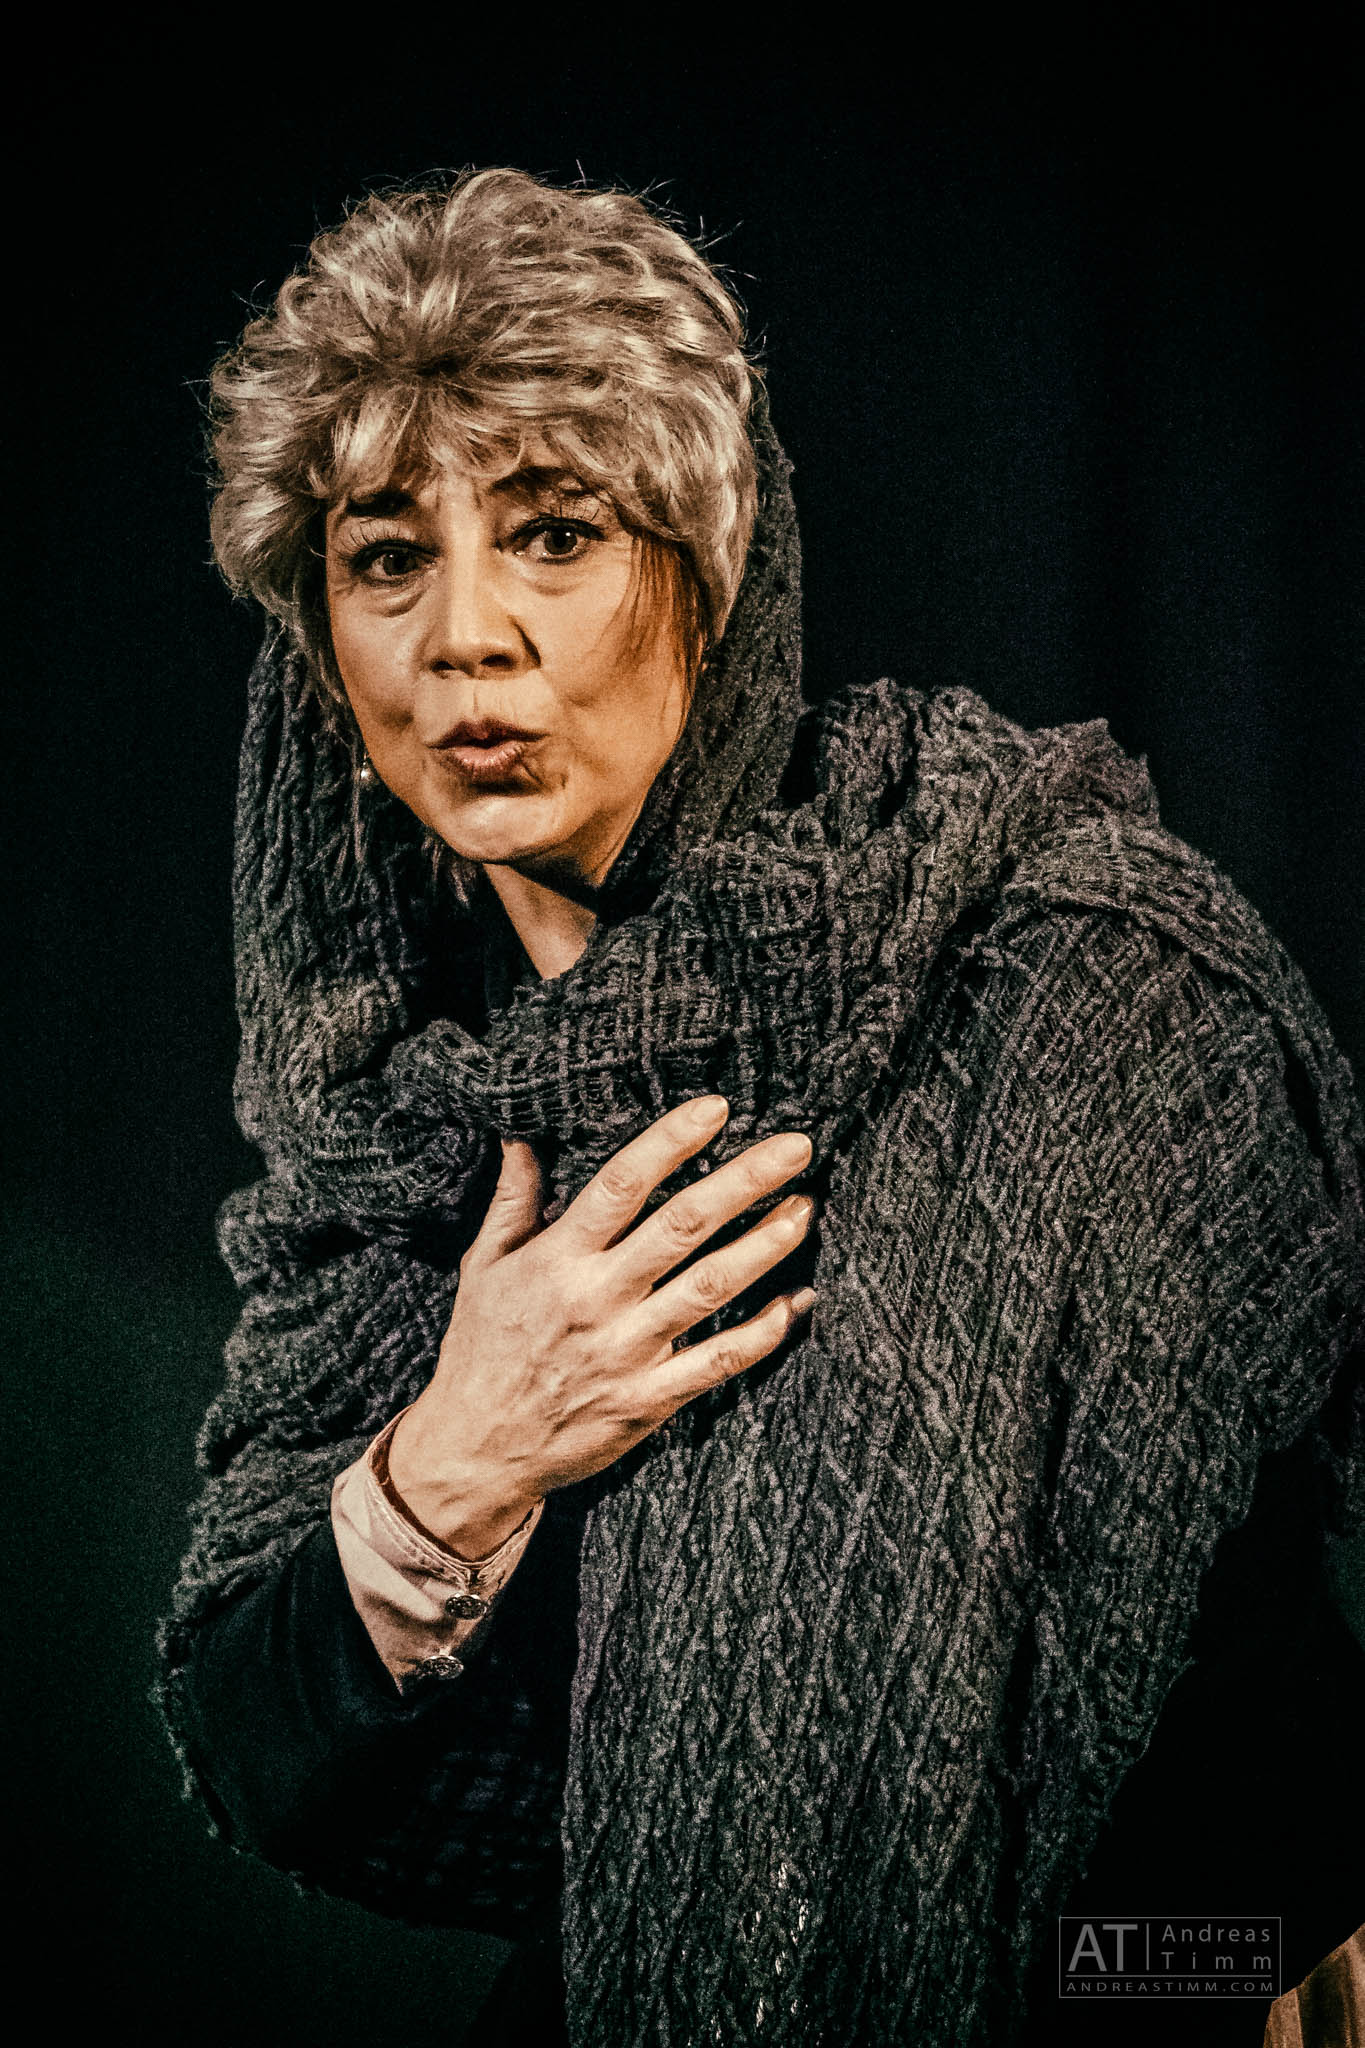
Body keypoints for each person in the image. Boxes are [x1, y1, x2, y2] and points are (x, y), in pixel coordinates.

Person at [159, 167, 1364, 2047]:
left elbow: (1267, 1750)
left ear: (709, 576)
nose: (466, 632)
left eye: (555, 534)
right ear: (321, 637)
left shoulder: (1063, 974)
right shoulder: (393, 1116)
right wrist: (459, 1455)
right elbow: (257, 1742)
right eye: (389, 554)